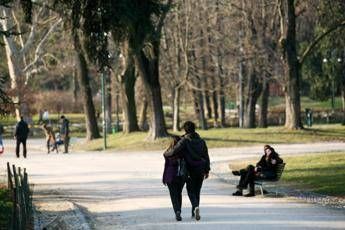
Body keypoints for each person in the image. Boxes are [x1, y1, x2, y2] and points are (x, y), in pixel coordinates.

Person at [164, 121, 210, 221]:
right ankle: (195, 209)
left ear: (185, 129)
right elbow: (206, 156)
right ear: (194, 129)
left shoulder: (184, 140)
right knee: (197, 190)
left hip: (190, 170)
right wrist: (207, 170)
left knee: (190, 190)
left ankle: (195, 206)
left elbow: (174, 151)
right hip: (201, 169)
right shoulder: (202, 141)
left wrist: (165, 154)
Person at [162, 136, 186, 221]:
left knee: (173, 195)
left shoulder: (168, 152)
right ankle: (178, 210)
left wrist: (164, 177)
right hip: (181, 176)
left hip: (170, 176)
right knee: (178, 194)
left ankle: (177, 211)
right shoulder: (183, 153)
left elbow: (166, 166)